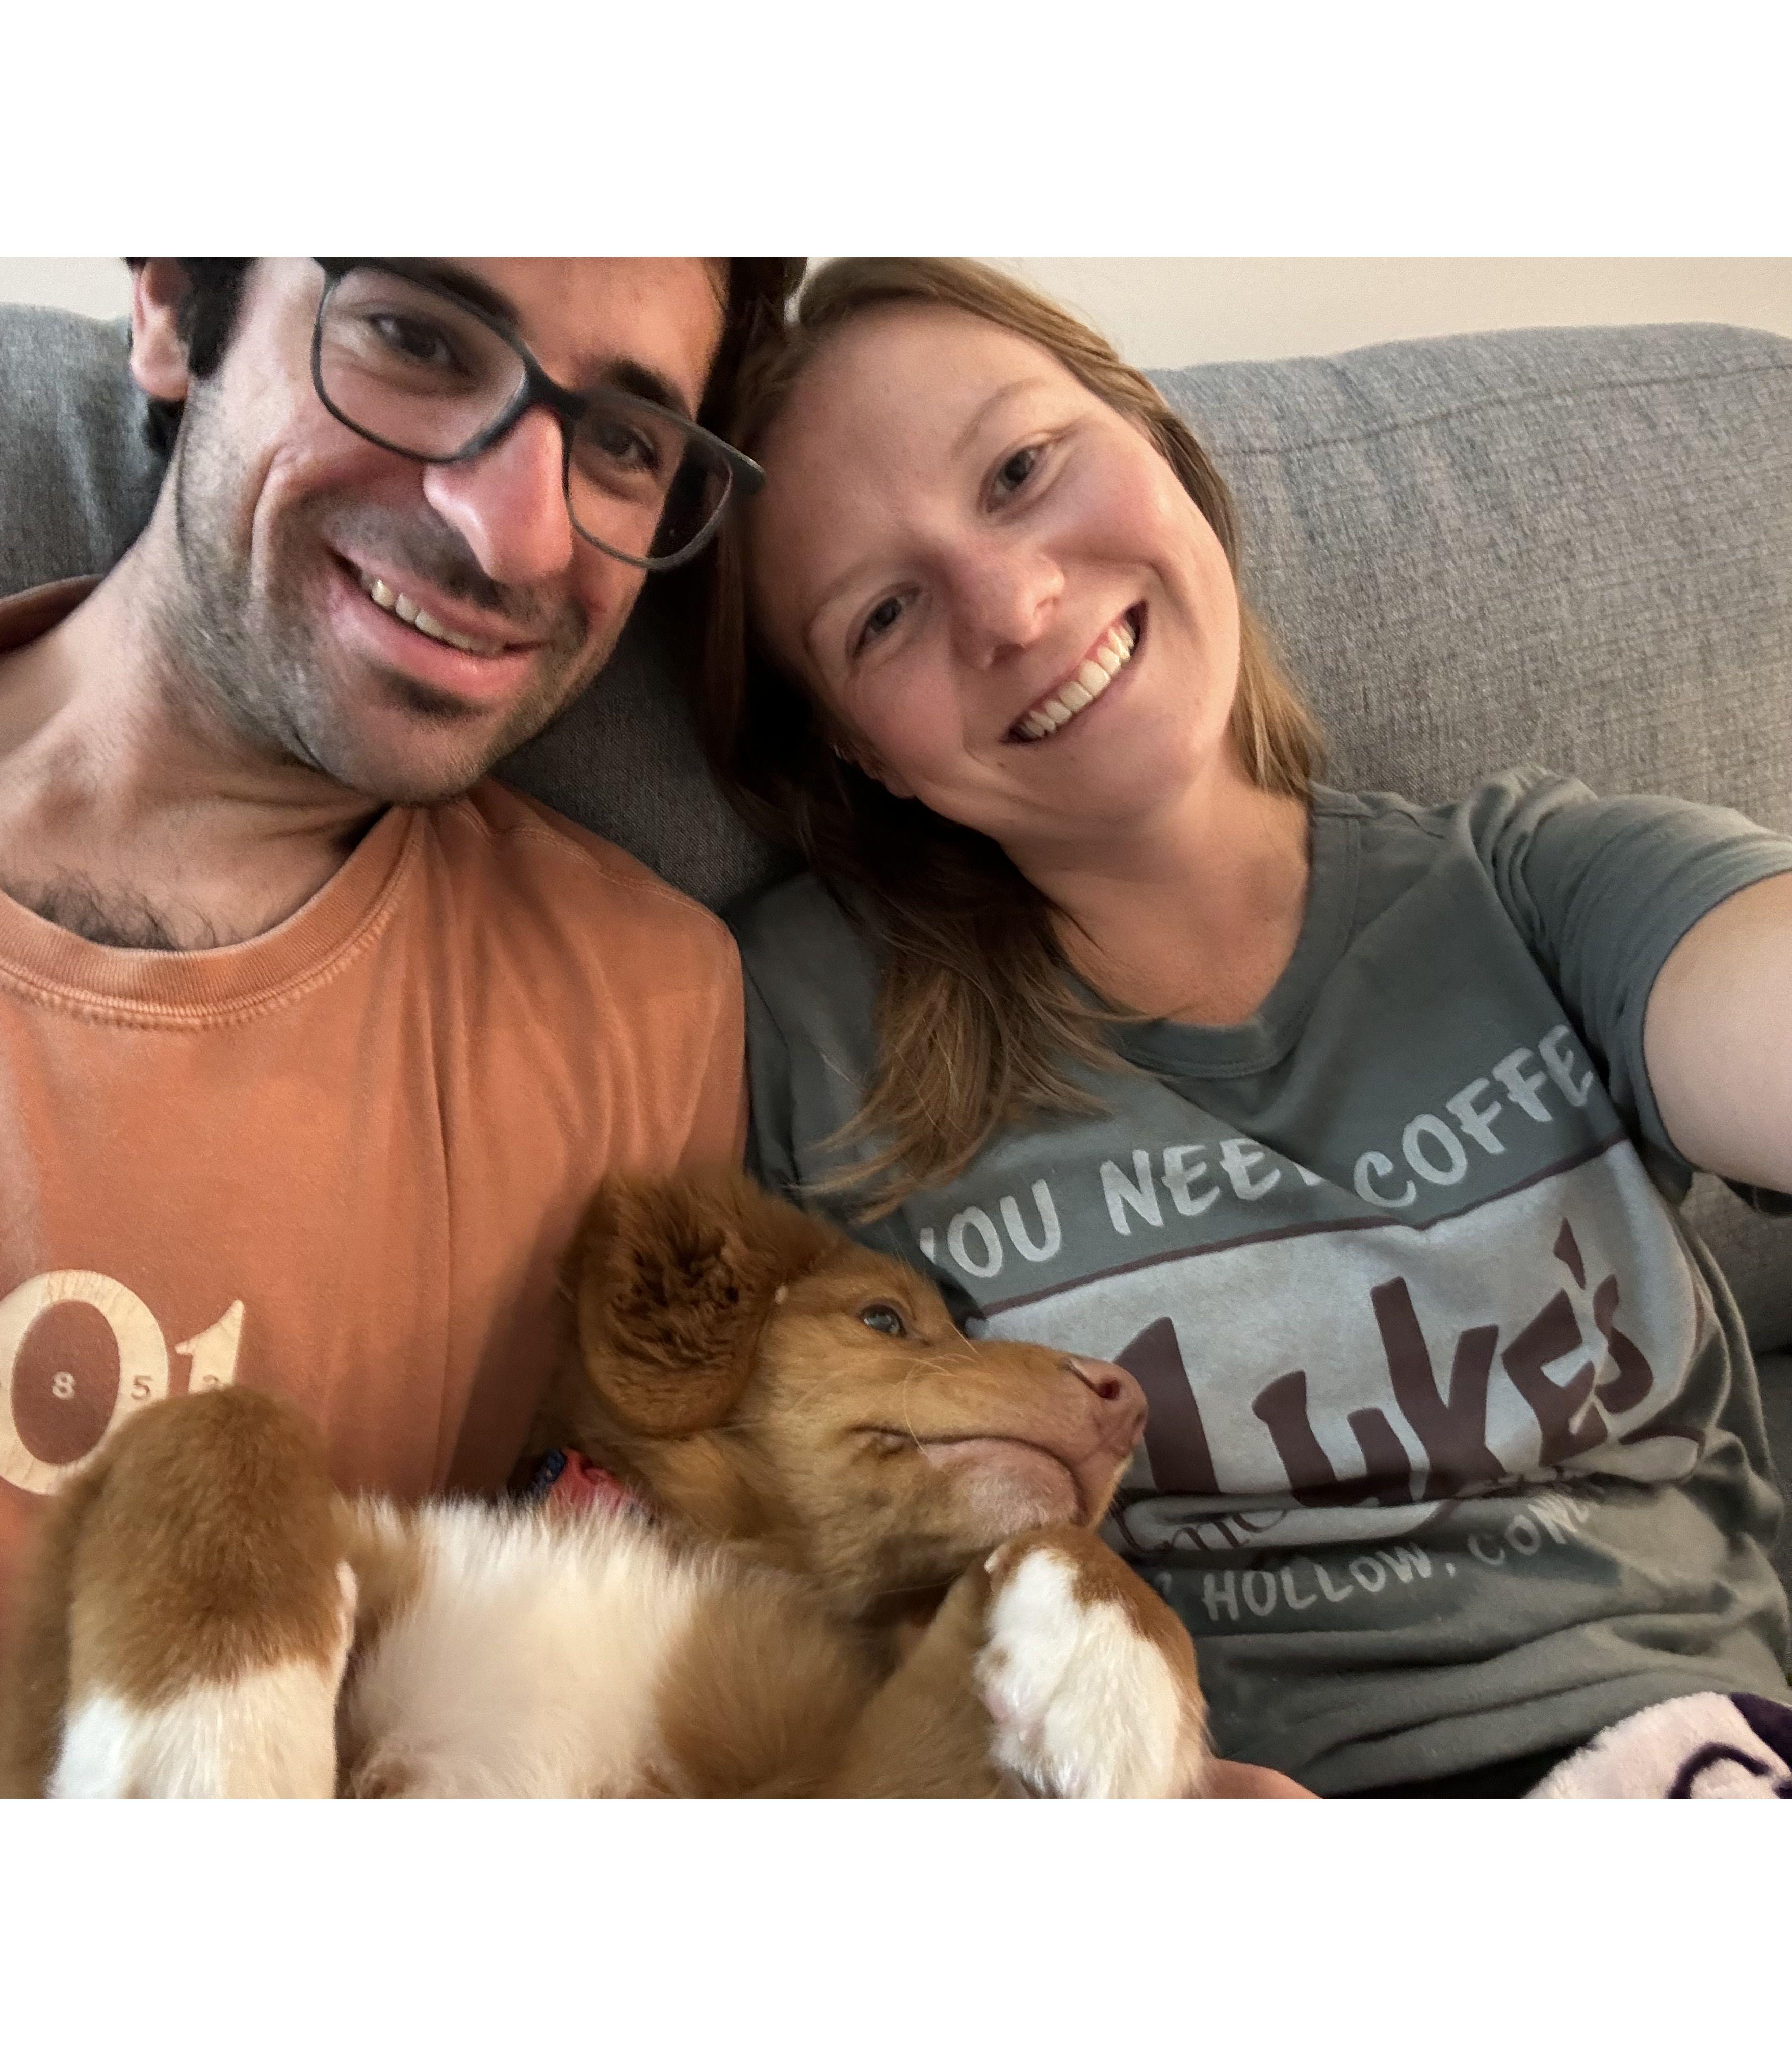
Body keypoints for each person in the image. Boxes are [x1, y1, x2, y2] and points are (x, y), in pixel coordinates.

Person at [710, 258, 1792, 1797]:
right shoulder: (799, 1031)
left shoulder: (1544, 887)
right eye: (884, 615)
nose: (1013, 606)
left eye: (1021, 471)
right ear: (858, 752)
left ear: (1158, 441)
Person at [0, 255, 798, 1797]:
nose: (512, 532)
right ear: (178, 308)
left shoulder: (647, 1015)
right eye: (417, 340)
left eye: (625, 443)